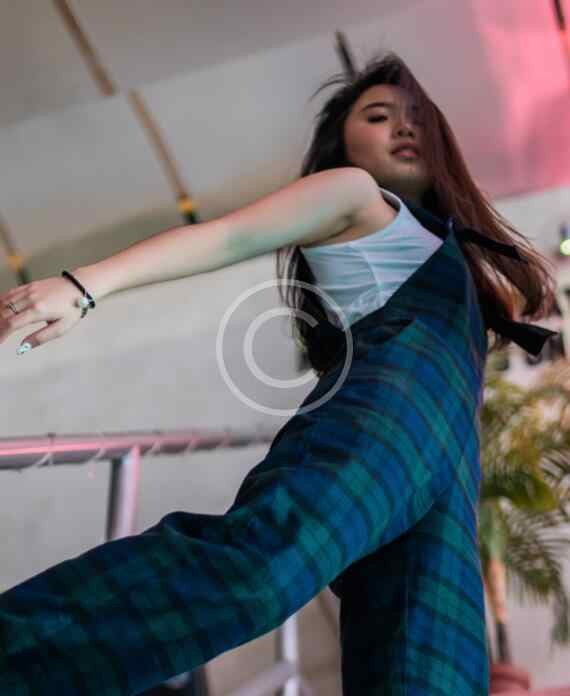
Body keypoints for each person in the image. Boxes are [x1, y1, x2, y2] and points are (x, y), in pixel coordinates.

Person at [0, 51, 559, 695]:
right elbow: (228, 236)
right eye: (378, 116)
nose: (404, 127)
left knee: (434, 675)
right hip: (384, 425)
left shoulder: (449, 242)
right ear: (342, 143)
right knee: (263, 569)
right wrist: (83, 286)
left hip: (450, 466)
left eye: (417, 117)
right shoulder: (355, 194)